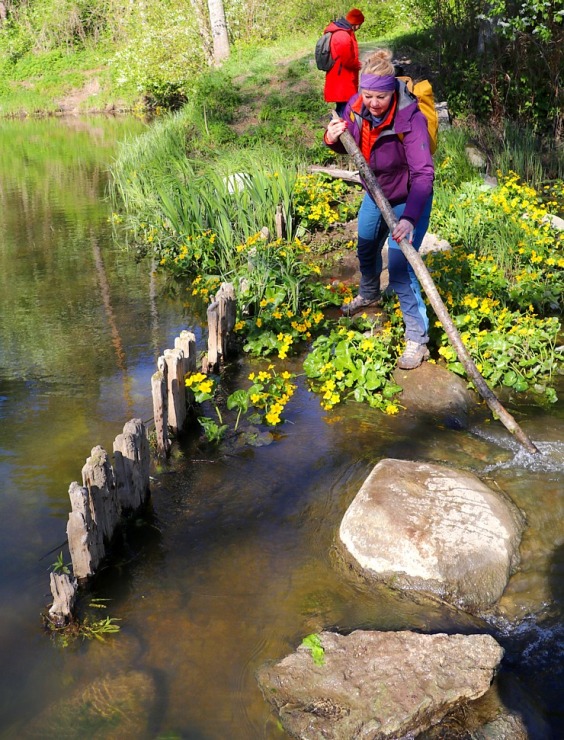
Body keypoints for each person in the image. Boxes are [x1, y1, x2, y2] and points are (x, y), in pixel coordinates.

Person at [324, 48, 435, 370]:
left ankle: (418, 340)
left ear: (392, 93)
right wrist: (331, 137)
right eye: (368, 95)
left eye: (381, 97)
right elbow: (342, 139)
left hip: (410, 197)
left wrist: (410, 218)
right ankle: (370, 293)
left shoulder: (410, 117)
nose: (374, 103)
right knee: (367, 243)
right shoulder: (354, 107)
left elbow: (424, 173)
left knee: (401, 269)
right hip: (375, 191)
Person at [323, 9, 365, 117]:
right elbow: (347, 61)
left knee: (343, 105)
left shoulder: (343, 32)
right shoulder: (342, 35)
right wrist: (360, 65)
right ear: (356, 23)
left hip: (341, 77)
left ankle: (337, 123)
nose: (359, 27)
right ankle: (337, 127)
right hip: (342, 79)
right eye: (360, 24)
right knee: (345, 108)